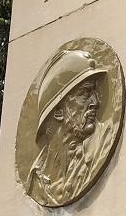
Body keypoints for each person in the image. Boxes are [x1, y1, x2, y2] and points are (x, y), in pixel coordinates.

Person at [26, 46, 114, 206]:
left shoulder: (104, 141)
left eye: (95, 93)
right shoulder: (35, 177)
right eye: (85, 94)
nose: (95, 102)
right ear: (58, 111)